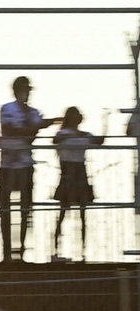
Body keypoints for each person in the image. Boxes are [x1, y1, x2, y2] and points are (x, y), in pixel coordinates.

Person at [0, 76, 55, 262]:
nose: (27, 93)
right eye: (24, 90)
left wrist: (33, 128)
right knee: (5, 209)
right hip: (8, 164)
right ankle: (6, 250)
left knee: (25, 209)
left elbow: (28, 135)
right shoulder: (8, 109)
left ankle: (22, 249)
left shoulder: (34, 112)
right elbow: (10, 130)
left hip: (25, 163)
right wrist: (34, 127)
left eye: (28, 90)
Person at [51, 107, 103, 262]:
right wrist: (76, 135)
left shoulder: (83, 135)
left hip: (79, 172)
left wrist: (105, 123)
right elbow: (56, 140)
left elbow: (99, 141)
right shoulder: (63, 134)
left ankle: (83, 249)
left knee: (82, 214)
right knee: (63, 213)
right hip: (69, 172)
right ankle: (56, 249)